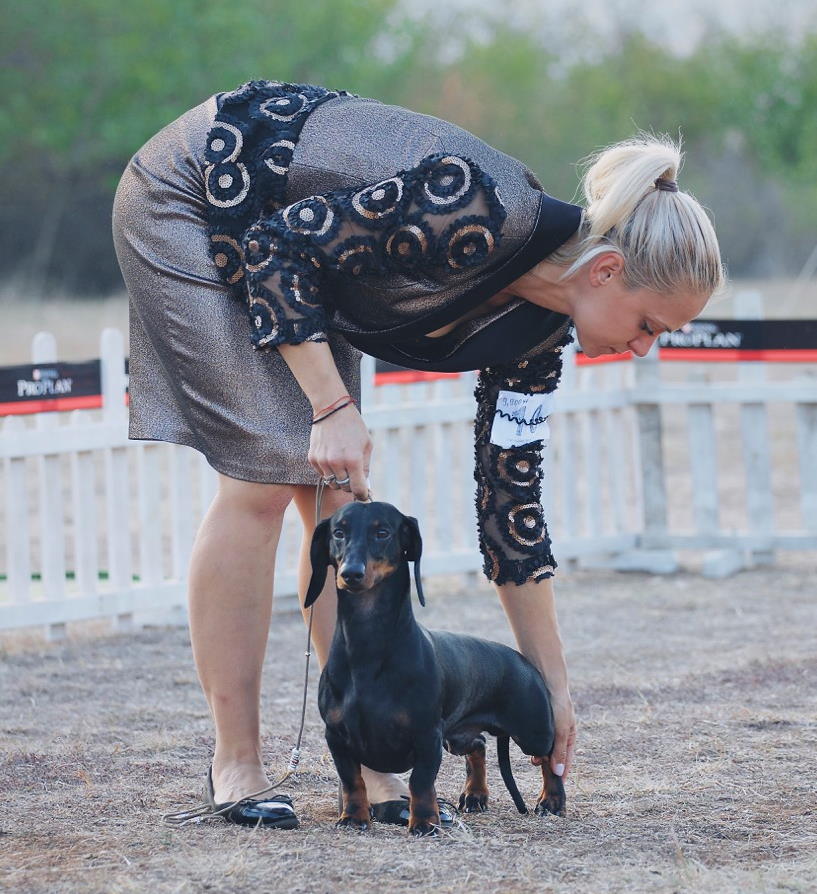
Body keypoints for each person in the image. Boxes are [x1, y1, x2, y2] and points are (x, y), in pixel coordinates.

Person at [112, 79, 723, 828]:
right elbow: (273, 246)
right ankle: (237, 761)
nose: (641, 349)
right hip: (201, 190)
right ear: (604, 272)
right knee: (268, 475)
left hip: (300, 257)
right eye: (647, 325)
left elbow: (510, 508)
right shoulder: (476, 208)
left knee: (338, 495)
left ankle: (368, 755)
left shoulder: (536, 340)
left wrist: (551, 684)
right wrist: (330, 405)